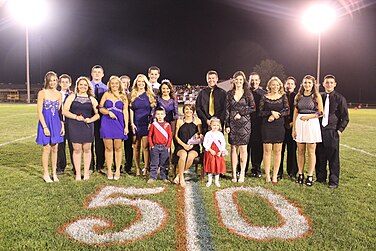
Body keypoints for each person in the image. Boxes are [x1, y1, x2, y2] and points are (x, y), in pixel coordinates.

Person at [63, 76, 100, 181]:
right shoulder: (72, 97)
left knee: (87, 149)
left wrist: (91, 119)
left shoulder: (92, 99)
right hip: (74, 125)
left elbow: (98, 114)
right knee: (77, 149)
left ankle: (87, 173)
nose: (83, 86)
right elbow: (65, 111)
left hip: (87, 126)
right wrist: (76, 117)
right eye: (81, 84)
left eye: (85, 85)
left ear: (88, 86)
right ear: (77, 86)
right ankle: (78, 174)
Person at [316, 75, 349, 188]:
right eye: (327, 82)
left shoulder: (340, 98)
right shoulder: (320, 96)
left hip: (332, 131)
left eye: (331, 82)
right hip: (319, 130)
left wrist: (339, 130)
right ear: (323, 84)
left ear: (335, 84)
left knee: (333, 157)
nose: (329, 84)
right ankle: (320, 178)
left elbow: (345, 117)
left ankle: (333, 181)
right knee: (320, 155)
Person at [292, 75, 323, 186]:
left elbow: (321, 113)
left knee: (311, 151)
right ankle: (300, 174)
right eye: (305, 83)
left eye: (309, 83)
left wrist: (308, 117)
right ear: (302, 84)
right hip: (300, 124)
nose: (307, 85)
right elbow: (295, 113)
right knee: (300, 151)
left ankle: (310, 176)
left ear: (313, 84)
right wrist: (294, 129)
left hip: (311, 124)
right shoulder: (298, 96)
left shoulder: (316, 96)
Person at [225, 71, 256, 183]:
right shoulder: (229, 94)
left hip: (245, 124)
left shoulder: (248, 93)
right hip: (233, 123)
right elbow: (227, 110)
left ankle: (242, 173)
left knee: (243, 148)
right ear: (234, 80)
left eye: (240, 80)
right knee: (233, 148)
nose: (238, 82)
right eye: (236, 79)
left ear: (244, 81)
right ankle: (233, 174)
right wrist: (227, 124)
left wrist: (241, 113)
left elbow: (253, 107)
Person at [259, 77, 289, 184]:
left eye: (277, 85)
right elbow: (260, 112)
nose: (275, 87)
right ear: (269, 86)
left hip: (279, 127)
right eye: (273, 85)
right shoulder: (264, 97)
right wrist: (271, 112)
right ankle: (267, 175)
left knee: (277, 152)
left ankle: (275, 175)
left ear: (280, 86)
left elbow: (287, 110)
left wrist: (277, 115)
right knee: (267, 152)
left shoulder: (283, 97)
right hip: (267, 127)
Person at [36, 71, 64, 183]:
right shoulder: (42, 93)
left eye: (54, 80)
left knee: (55, 148)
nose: (52, 82)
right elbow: (39, 111)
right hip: (45, 122)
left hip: (56, 123)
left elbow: (59, 111)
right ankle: (46, 174)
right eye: (50, 80)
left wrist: (62, 125)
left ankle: (54, 173)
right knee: (46, 148)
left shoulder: (59, 94)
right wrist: (45, 127)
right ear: (47, 81)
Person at [99, 76, 129, 180]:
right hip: (107, 122)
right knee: (108, 147)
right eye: (112, 83)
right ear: (109, 84)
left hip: (119, 122)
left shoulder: (123, 96)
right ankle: (109, 170)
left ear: (119, 84)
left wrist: (126, 126)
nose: (114, 85)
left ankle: (117, 170)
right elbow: (100, 107)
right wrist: (108, 112)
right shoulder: (106, 94)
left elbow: (125, 111)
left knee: (118, 147)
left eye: (116, 83)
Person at [130, 74, 156, 176]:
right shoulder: (133, 94)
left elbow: (152, 111)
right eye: (139, 81)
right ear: (136, 83)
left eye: (142, 82)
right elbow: (131, 109)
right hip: (136, 123)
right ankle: (137, 168)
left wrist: (150, 123)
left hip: (146, 123)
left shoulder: (149, 94)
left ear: (146, 83)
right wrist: (131, 123)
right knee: (136, 146)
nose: (140, 83)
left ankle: (146, 167)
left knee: (145, 147)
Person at [174, 103, 203, 188]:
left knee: (190, 156)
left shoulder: (197, 121)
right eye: (186, 109)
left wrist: (197, 139)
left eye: (190, 109)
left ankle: (179, 175)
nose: (188, 111)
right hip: (181, 146)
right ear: (183, 111)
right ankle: (182, 178)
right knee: (183, 155)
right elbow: (176, 136)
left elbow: (199, 134)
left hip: (193, 147)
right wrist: (184, 145)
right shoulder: (179, 121)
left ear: (193, 111)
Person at [278, 76, 298, 180]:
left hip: (292, 127)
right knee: (279, 150)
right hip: (281, 126)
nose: (289, 85)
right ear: (285, 85)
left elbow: (299, 111)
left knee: (292, 150)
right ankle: (279, 171)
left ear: (295, 86)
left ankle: (292, 172)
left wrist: (292, 123)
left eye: (291, 84)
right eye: (288, 83)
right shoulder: (281, 96)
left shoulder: (297, 97)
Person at [247, 72, 266, 178]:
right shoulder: (245, 93)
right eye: (252, 80)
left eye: (256, 80)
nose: (254, 82)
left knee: (257, 148)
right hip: (246, 123)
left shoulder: (264, 93)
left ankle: (256, 169)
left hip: (259, 125)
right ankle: (242, 168)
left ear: (259, 81)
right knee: (245, 147)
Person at [196, 70, 227, 134]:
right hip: (205, 124)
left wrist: (219, 121)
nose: (211, 80)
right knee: (206, 143)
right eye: (209, 78)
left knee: (218, 143)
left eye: (213, 78)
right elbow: (198, 108)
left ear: (217, 79)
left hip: (218, 124)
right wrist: (206, 120)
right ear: (206, 79)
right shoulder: (201, 93)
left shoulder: (223, 93)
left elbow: (225, 109)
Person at [148, 107, 172, 183]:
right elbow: (150, 136)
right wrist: (152, 145)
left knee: (164, 163)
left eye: (161, 114)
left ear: (164, 115)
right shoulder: (154, 125)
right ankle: (152, 177)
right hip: (156, 146)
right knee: (154, 163)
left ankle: (164, 177)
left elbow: (170, 136)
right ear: (155, 115)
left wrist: (168, 145)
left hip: (164, 146)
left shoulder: (167, 125)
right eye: (158, 114)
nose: (160, 116)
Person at [91, 65, 107, 173]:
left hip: (102, 118)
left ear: (102, 74)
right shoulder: (87, 86)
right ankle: (90, 166)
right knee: (88, 142)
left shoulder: (106, 88)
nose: (97, 74)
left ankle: (100, 165)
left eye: (99, 72)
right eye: (95, 72)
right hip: (89, 117)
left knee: (100, 142)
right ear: (91, 74)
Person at [56, 74, 74, 175]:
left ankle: (75, 166)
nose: (64, 84)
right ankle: (60, 167)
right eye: (62, 82)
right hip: (59, 122)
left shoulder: (73, 95)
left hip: (71, 123)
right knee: (60, 146)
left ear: (70, 83)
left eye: (66, 82)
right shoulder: (57, 94)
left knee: (73, 145)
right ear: (59, 83)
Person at [203, 117, 227, 187]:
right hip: (210, 152)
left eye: (217, 125)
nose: (215, 127)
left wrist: (221, 151)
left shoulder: (220, 134)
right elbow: (205, 143)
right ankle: (209, 180)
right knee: (211, 166)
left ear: (219, 126)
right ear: (210, 125)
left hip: (218, 152)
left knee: (217, 166)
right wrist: (210, 150)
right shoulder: (208, 134)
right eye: (214, 125)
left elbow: (223, 143)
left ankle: (217, 180)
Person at [120, 75, 133, 174]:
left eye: (126, 82)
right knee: (117, 145)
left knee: (128, 146)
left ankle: (128, 166)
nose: (124, 84)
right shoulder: (116, 94)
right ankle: (117, 165)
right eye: (123, 82)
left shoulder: (131, 95)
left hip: (128, 123)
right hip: (118, 123)